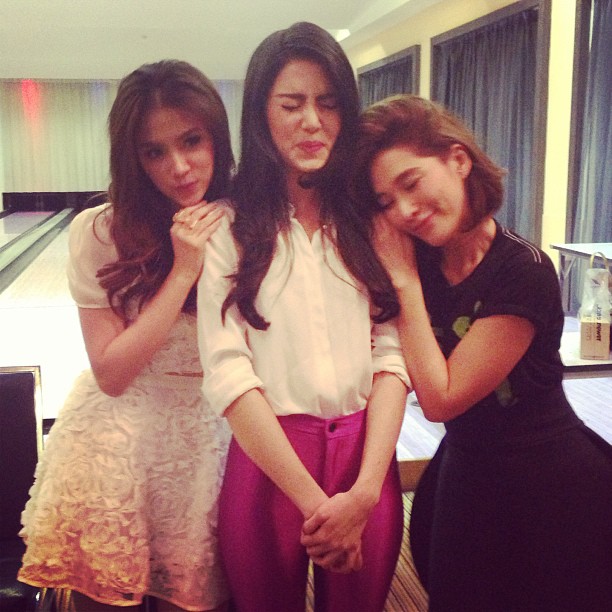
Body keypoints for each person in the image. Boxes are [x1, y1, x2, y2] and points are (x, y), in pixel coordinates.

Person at [353, 94, 612, 611]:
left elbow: (441, 399)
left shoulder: (524, 270)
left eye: (411, 183)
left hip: (549, 477)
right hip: (467, 468)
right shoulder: (420, 262)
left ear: (458, 159)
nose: (404, 210)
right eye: (386, 201)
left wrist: (404, 282)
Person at [197, 22, 410, 612]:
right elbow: (228, 373)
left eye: (329, 103)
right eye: (292, 105)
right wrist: (318, 505)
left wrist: (363, 494)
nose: (312, 121)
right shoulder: (227, 229)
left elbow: (392, 356)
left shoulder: (370, 223)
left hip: (366, 461)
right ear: (261, 113)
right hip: (269, 462)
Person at [18, 60, 234, 612]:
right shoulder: (100, 231)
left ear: (217, 134)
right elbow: (112, 373)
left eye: (192, 141)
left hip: (216, 440)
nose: (178, 167)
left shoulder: (248, 223)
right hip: (120, 443)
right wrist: (184, 270)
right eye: (154, 152)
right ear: (131, 158)